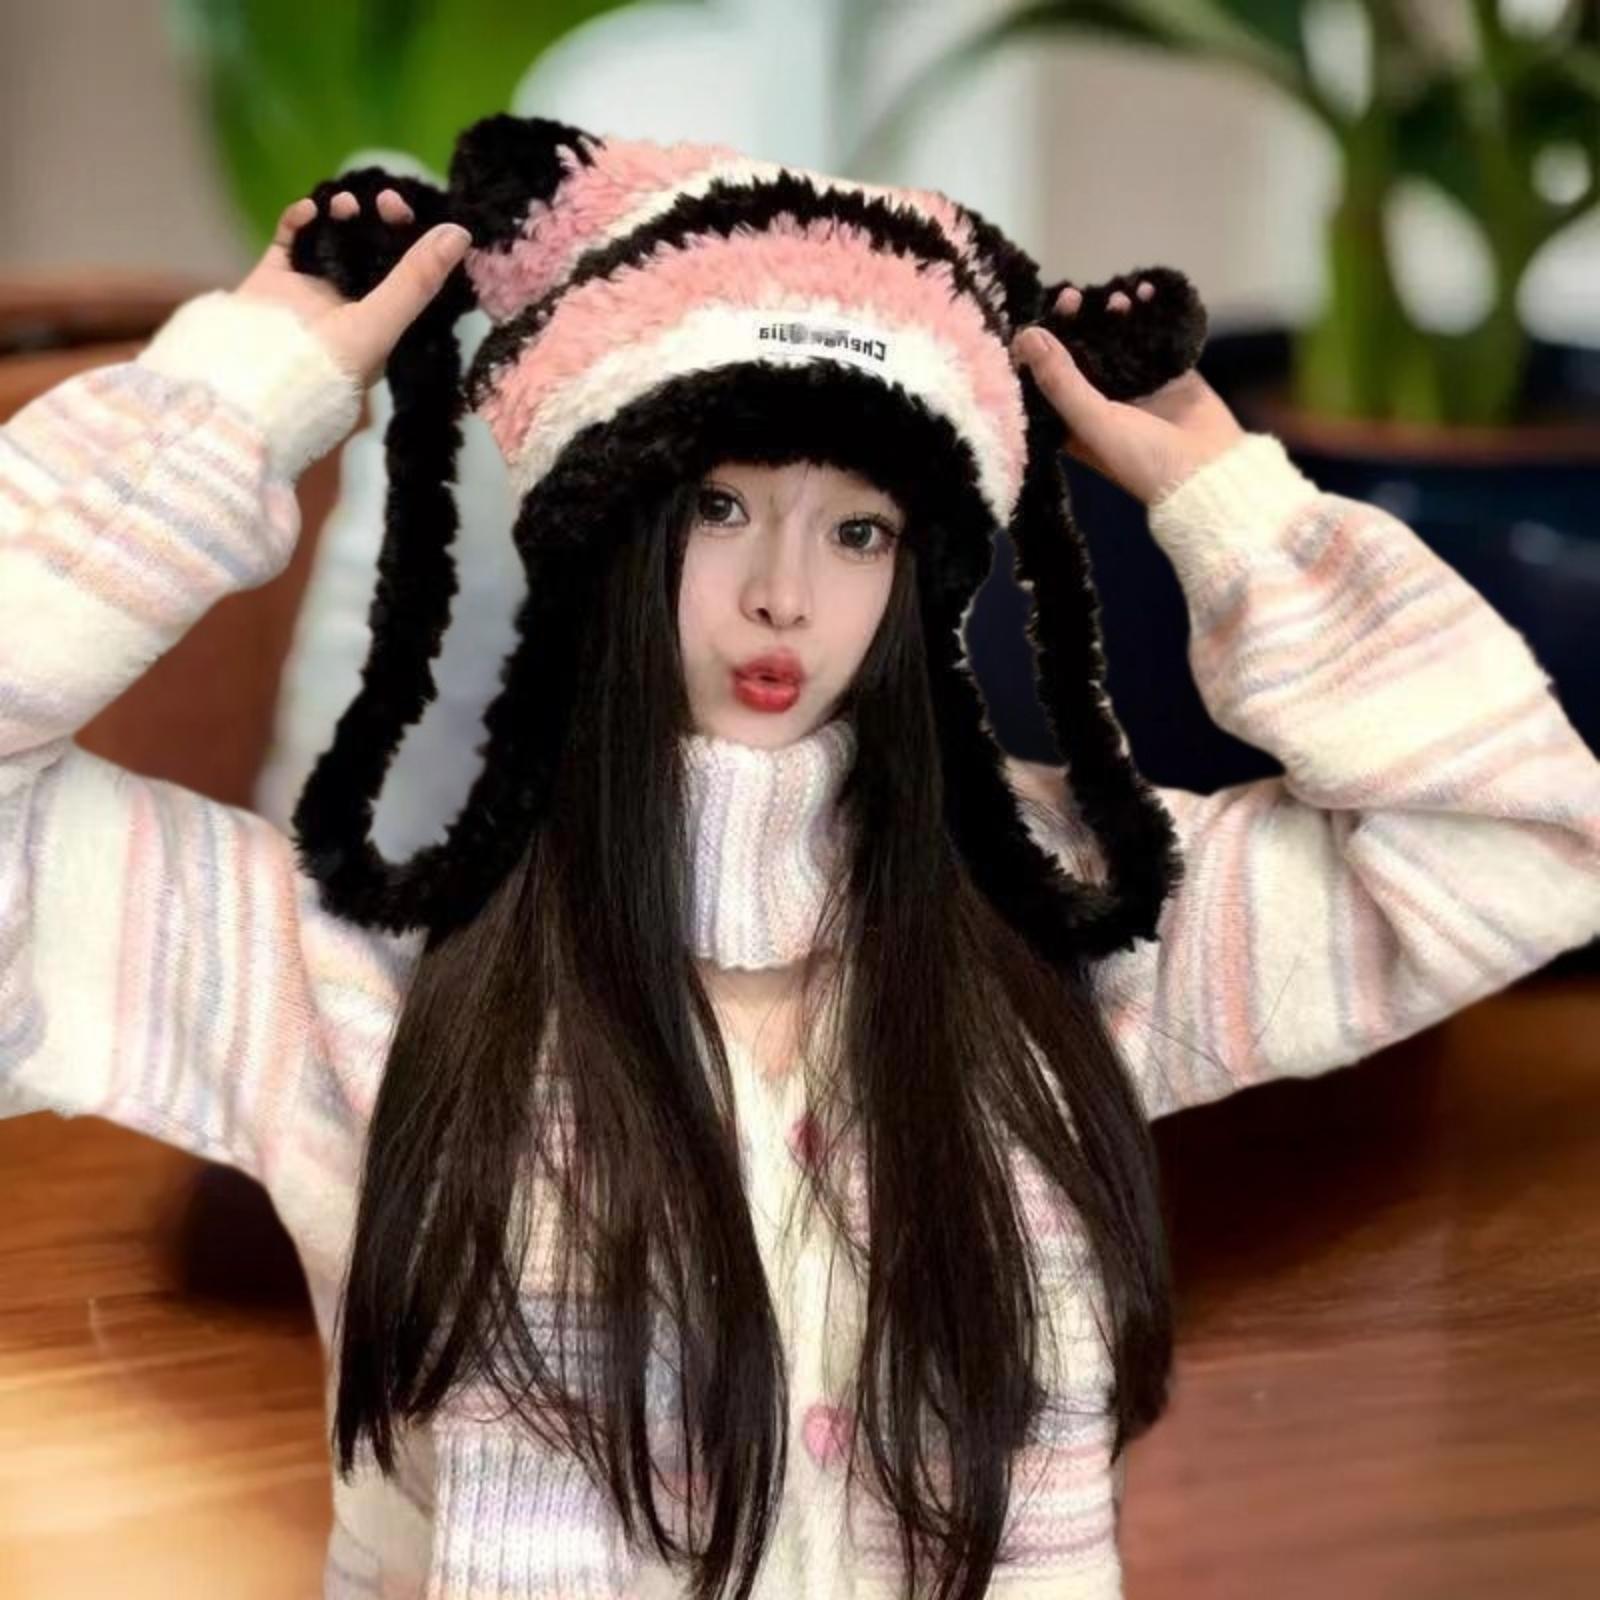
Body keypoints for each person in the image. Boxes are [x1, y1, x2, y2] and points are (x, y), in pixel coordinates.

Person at [3, 125, 1598, 1600]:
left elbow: (1525, 841)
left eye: (858, 532)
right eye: (718, 507)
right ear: (606, 529)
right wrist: (240, 388)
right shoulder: (353, 973)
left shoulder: (1064, 918)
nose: (785, 595)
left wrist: (1218, 492)